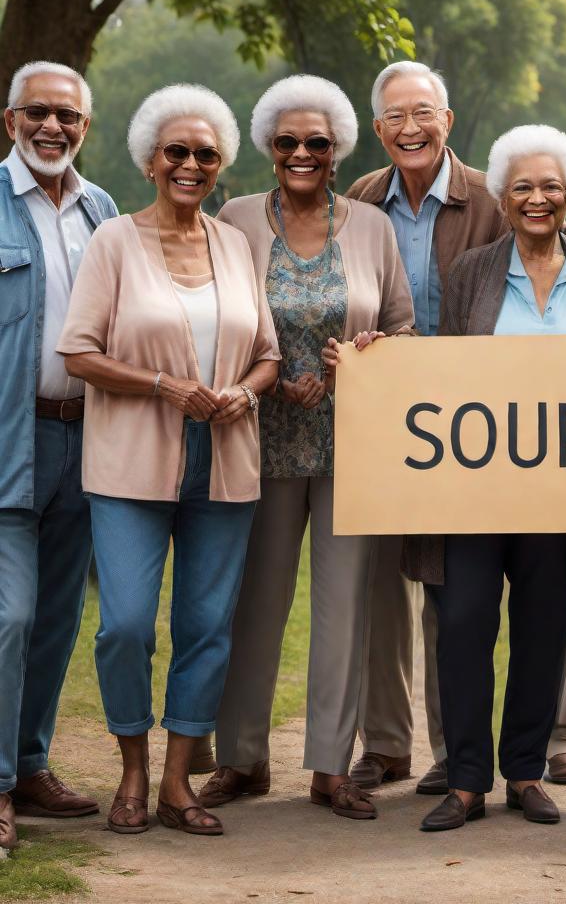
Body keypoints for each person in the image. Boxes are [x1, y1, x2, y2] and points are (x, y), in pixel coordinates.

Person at [346, 61, 566, 794]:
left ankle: (558, 738)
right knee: (422, 583)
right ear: (379, 129)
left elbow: (547, 242)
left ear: (447, 121)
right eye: (395, 116)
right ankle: (417, 746)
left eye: (424, 113)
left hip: (497, 416)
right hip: (395, 413)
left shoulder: (493, 194)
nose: (411, 128)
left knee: (546, 580)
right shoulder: (360, 200)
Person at [57, 85, 280, 837]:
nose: (191, 164)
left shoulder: (235, 244)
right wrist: (163, 385)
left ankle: (178, 780)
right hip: (128, 465)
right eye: (177, 152)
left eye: (206, 154)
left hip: (225, 463)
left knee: (207, 625)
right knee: (123, 624)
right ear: (151, 160)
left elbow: (268, 356)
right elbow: (78, 353)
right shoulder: (113, 241)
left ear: (220, 166)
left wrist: (245, 395)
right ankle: (131, 768)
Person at [195, 74, 414, 821]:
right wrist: (268, 378)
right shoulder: (235, 220)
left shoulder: (372, 227)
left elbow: (404, 329)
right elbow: (217, 315)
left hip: (351, 447)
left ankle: (329, 766)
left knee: (344, 607)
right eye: (287, 141)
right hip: (257, 439)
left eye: (316, 143)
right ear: (267, 146)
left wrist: (367, 352)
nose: (301, 153)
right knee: (254, 603)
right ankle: (243, 759)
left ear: (336, 149)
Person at [404, 124, 566, 832]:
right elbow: (444, 375)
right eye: (524, 188)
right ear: (502, 199)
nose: (538, 199)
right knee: (464, 624)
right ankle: (467, 780)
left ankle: (526, 774)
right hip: (474, 492)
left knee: (543, 631)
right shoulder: (471, 271)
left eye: (552, 187)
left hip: (561, 493)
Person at [0, 61, 118, 850]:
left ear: (86, 127)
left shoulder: (102, 209)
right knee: (7, 615)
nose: (53, 128)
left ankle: (32, 764)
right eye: (38, 113)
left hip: (88, 440)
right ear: (10, 120)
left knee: (56, 619)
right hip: (9, 439)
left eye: (68, 117)